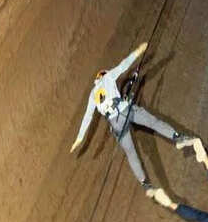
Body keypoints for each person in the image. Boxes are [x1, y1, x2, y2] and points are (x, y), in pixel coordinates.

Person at [70, 43, 182, 203]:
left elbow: (87, 117)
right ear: (104, 75)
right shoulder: (108, 77)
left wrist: (79, 138)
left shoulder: (92, 95)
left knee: (131, 153)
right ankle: (177, 137)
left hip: (115, 124)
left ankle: (145, 184)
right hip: (125, 110)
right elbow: (124, 64)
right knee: (153, 122)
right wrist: (138, 51)